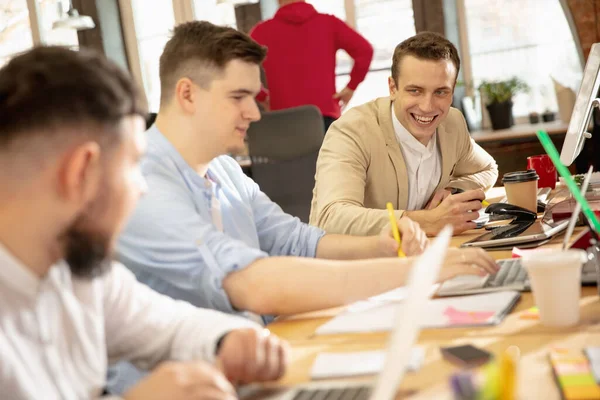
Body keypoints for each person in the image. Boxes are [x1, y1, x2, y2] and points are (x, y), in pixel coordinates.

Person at [0, 46, 288, 400]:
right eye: (132, 165)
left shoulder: (78, 271)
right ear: (80, 173)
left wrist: (231, 341)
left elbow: (171, 326)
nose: (141, 188)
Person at [310, 32, 499, 236]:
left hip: (422, 256)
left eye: (440, 92)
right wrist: (427, 221)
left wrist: (452, 193)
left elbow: (488, 169)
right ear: (393, 88)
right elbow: (330, 218)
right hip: (357, 263)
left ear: (452, 92)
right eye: (415, 91)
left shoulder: (452, 124)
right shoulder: (351, 131)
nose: (427, 106)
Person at [250, 0, 373, 131]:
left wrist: (262, 96)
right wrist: (351, 87)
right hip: (324, 121)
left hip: (282, 123)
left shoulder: (261, 31)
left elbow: (239, 65)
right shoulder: (329, 23)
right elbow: (365, 51)